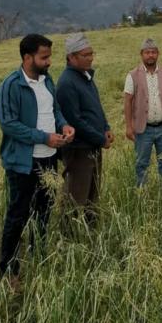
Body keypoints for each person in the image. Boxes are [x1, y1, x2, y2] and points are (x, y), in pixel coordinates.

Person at [0, 33, 75, 282]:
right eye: (44, 57)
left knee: (44, 211)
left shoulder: (46, 80)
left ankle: (39, 258)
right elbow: (9, 124)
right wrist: (44, 137)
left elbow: (55, 110)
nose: (49, 61)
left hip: (49, 159)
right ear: (27, 57)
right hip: (24, 163)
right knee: (18, 215)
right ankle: (8, 270)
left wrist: (64, 125)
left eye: (49, 56)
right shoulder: (11, 85)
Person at [56, 32, 113, 225]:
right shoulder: (67, 83)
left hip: (92, 146)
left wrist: (106, 127)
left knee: (92, 197)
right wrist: (100, 139)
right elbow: (75, 121)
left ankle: (91, 235)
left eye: (91, 53)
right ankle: (68, 237)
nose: (90, 58)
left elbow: (95, 107)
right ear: (71, 57)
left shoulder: (85, 77)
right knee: (74, 199)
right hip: (79, 150)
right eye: (85, 55)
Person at [124, 38, 162, 188]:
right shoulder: (132, 75)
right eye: (147, 52)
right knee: (142, 163)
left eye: (153, 52)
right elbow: (127, 101)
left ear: (158, 54)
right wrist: (129, 126)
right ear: (141, 54)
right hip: (143, 128)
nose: (150, 55)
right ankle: (142, 193)